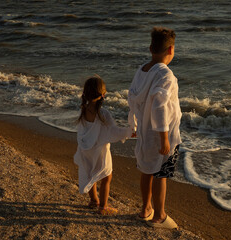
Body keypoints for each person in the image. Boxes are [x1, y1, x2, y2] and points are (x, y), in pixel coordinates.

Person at [128, 27, 182, 229]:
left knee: (146, 169)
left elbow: (132, 97)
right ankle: (159, 215)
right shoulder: (165, 75)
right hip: (161, 134)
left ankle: (145, 209)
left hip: (144, 131)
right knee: (161, 173)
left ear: (151, 48)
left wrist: (133, 122)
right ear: (171, 50)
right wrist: (165, 137)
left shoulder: (143, 70)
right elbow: (160, 105)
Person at [74, 75, 133, 215]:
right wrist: (129, 132)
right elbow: (113, 132)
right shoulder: (103, 114)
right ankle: (103, 206)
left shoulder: (83, 110)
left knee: (91, 174)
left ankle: (94, 200)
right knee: (106, 177)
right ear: (103, 95)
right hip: (100, 151)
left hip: (85, 149)